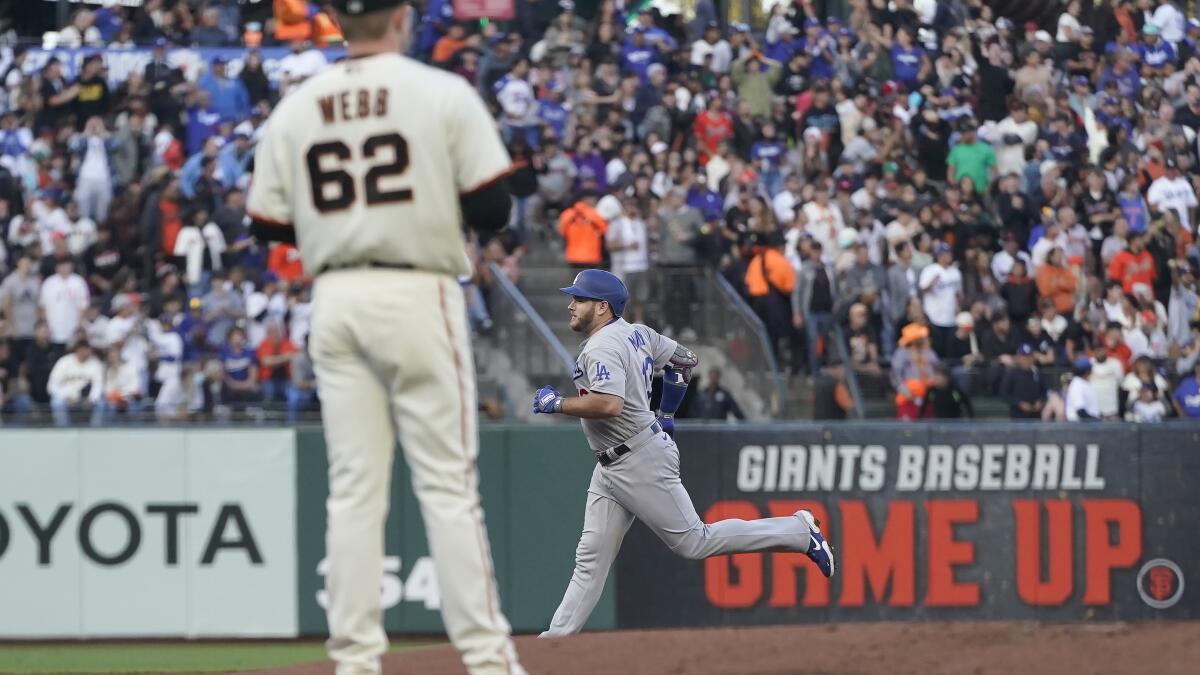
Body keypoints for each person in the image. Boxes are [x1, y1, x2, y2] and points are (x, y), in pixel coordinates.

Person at [244, 2, 526, 674]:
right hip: (416, 289)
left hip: (336, 296)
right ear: (403, 17)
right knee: (447, 488)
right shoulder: (439, 91)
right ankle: (488, 662)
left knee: (353, 491)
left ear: (339, 20)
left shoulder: (297, 106)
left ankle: (356, 661)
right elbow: (493, 208)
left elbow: (266, 223)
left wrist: (339, 221)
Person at [533, 269, 833, 637]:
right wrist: (667, 412)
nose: (570, 305)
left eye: (578, 299)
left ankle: (798, 531)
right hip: (616, 460)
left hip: (636, 457)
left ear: (601, 306)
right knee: (591, 557)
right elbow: (685, 360)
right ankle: (556, 642)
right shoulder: (637, 332)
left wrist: (557, 404)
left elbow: (609, 404)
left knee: (695, 540)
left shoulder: (602, 346)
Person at [1000, 343, 1047, 420]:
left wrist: (1040, 401)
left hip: (1036, 414)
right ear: (1018, 358)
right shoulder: (1012, 373)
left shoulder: (1037, 373)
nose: (1027, 360)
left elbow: (1044, 390)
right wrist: (1019, 403)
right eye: (1024, 357)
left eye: (1029, 356)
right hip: (1017, 415)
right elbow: (1004, 393)